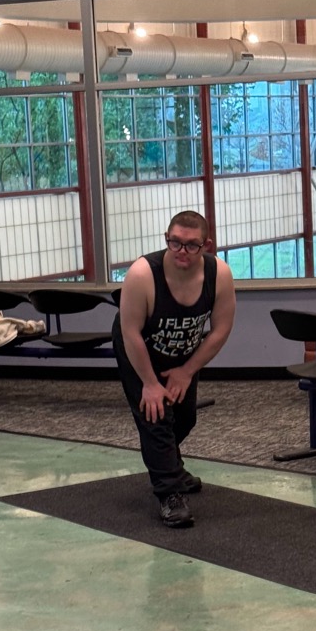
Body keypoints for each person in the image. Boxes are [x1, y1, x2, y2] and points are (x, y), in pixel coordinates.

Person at [113, 209, 236, 527]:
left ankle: (170, 465)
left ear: (206, 246)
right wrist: (150, 383)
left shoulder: (219, 274)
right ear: (167, 239)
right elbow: (130, 333)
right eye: (175, 243)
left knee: (185, 417)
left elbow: (221, 329)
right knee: (155, 417)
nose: (182, 251)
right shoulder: (142, 274)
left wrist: (187, 371)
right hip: (139, 349)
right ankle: (169, 492)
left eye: (191, 245)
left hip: (182, 354)